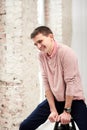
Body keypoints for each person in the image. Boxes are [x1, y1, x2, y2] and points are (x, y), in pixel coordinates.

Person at [19, 26, 87, 130]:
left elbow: (70, 83)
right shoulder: (41, 56)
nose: (38, 46)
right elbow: (46, 83)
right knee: (25, 126)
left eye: (40, 41)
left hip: (74, 100)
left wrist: (67, 111)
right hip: (55, 99)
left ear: (51, 36)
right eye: (36, 44)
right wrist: (53, 110)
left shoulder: (66, 52)